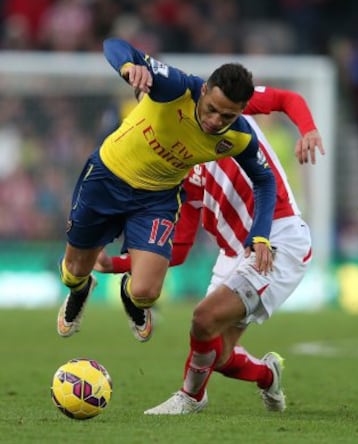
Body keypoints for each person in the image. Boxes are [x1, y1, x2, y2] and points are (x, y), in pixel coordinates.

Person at [94, 88, 324, 414]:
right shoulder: (183, 171)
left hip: (277, 239)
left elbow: (287, 99)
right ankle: (267, 374)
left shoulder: (221, 104)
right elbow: (179, 249)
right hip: (233, 253)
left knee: (203, 318)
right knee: (220, 355)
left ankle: (191, 397)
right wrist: (114, 264)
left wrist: (308, 129)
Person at [56, 38, 277, 341]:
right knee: (73, 270)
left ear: (240, 111)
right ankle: (81, 290)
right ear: (203, 91)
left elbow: (265, 180)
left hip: (156, 199)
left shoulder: (239, 138)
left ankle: (129, 294)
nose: (215, 121)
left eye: (227, 116)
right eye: (212, 109)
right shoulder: (175, 87)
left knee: (145, 292)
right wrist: (130, 66)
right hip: (106, 178)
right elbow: (113, 44)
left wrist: (261, 233)